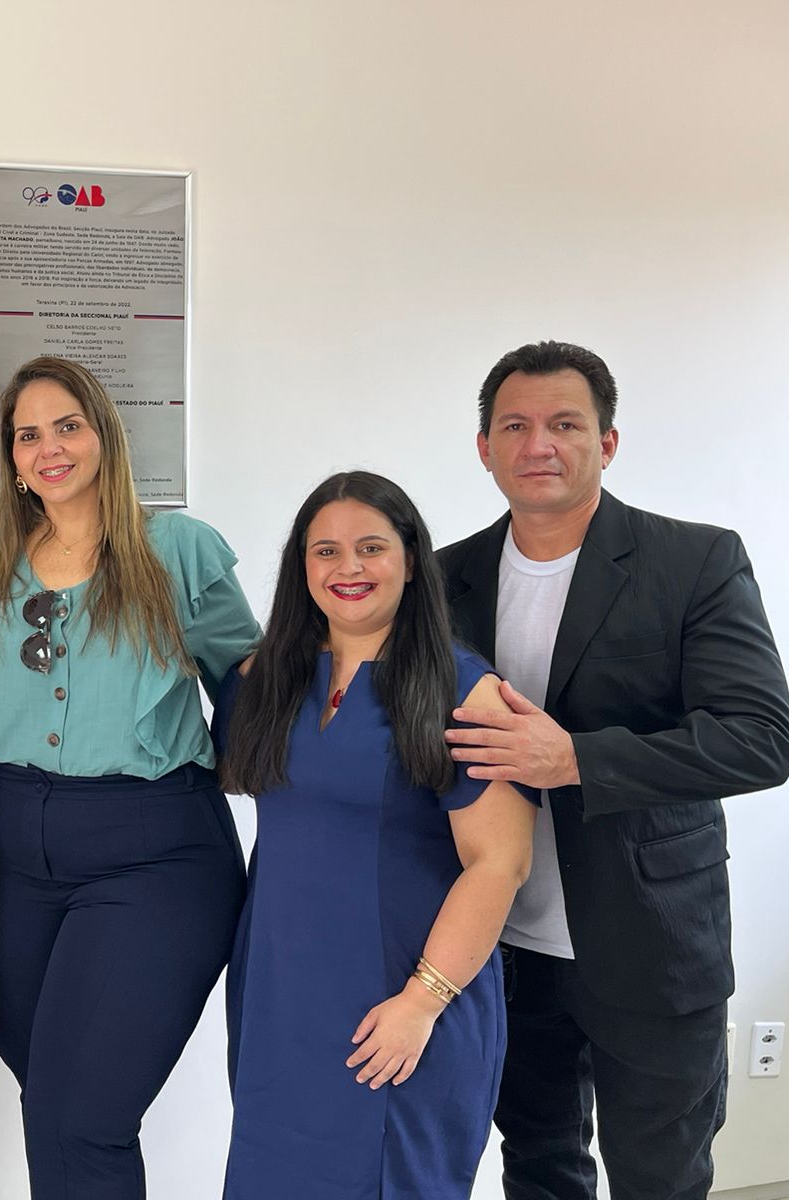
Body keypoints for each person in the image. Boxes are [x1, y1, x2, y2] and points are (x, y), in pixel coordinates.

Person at [440, 340, 789, 1200]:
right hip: (503, 944)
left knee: (660, 1178)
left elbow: (760, 738)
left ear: (606, 442)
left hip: (653, 944)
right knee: (538, 1166)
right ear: (484, 447)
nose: (538, 445)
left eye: (565, 424)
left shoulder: (694, 561)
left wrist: (576, 759)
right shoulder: (444, 578)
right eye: (514, 426)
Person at [0, 355, 258, 1199]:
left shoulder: (178, 549)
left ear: (105, 433)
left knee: (79, 1119)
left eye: (68, 426)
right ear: (11, 457)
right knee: (57, 1107)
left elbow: (251, 688)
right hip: (3, 861)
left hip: (152, 858)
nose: (49, 449)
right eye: (28, 435)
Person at [214, 470, 536, 1199]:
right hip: (279, 1002)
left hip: (401, 1004)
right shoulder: (264, 680)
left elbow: (500, 863)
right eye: (325, 551)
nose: (348, 568)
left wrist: (422, 1003)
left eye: (371, 547)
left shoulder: (465, 691)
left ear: (411, 560)